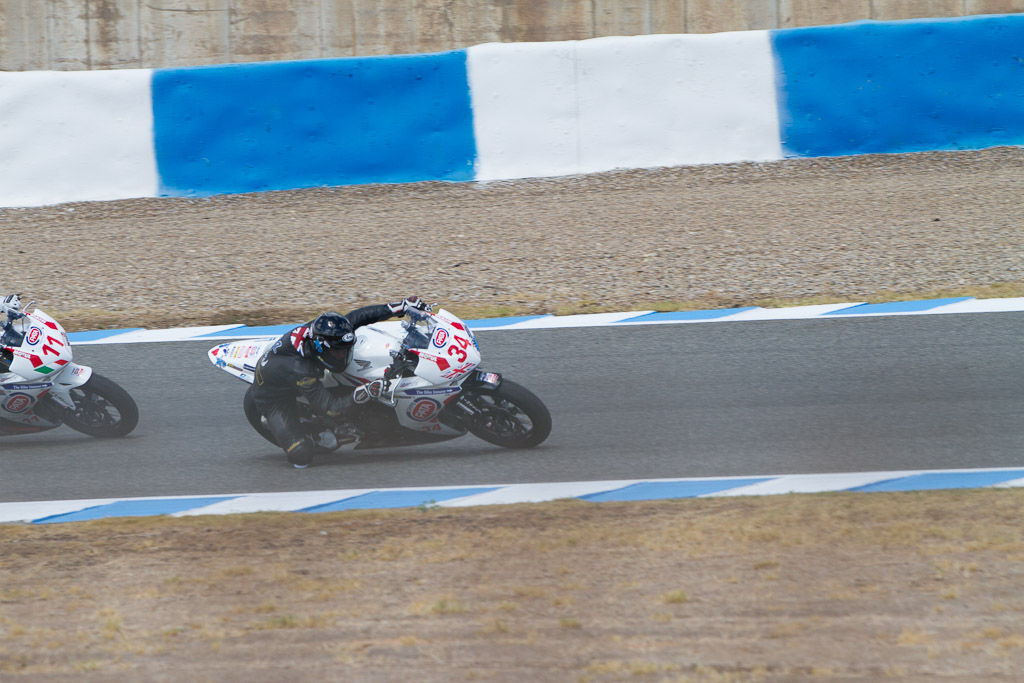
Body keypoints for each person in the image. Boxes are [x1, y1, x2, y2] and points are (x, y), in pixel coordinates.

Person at [246, 296, 428, 468]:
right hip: (274, 400)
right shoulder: (301, 370)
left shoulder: (326, 331)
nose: (343, 355)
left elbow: (360, 316)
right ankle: (306, 432)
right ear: (320, 348)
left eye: (345, 350)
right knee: (301, 456)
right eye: (338, 352)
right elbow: (331, 409)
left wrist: (400, 306)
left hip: (291, 370)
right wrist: (365, 392)